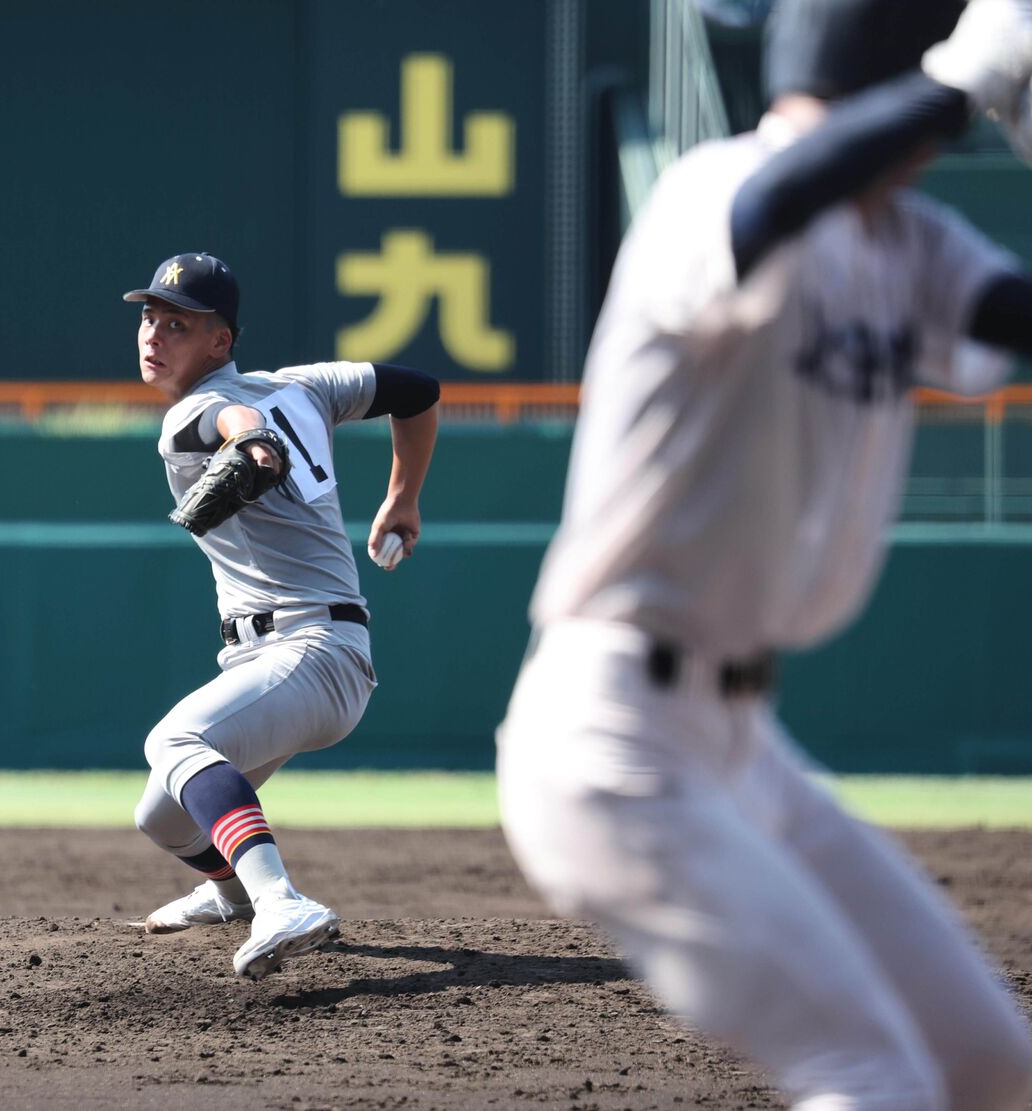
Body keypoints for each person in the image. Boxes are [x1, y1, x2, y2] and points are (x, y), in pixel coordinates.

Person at [497, 1, 1032, 1107]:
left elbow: (1012, 319)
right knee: (869, 1070)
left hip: (746, 750)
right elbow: (774, 206)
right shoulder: (716, 183)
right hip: (613, 733)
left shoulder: (906, 239)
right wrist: (959, 82)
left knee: (986, 1065)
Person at [126, 252, 439, 979]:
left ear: (220, 343)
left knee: (176, 739)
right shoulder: (306, 386)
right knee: (163, 815)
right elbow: (417, 390)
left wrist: (251, 442)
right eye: (149, 316)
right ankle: (232, 895)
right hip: (297, 656)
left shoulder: (188, 414)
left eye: (178, 323)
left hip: (310, 650)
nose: (154, 334)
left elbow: (230, 420)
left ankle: (280, 900)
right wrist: (405, 494)